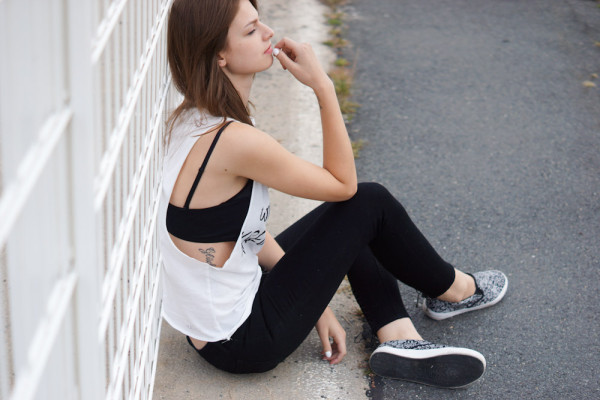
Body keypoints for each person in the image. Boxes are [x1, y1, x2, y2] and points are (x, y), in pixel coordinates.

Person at [159, 0, 508, 389]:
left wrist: (315, 304)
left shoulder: (193, 118)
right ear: (218, 55)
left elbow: (241, 232)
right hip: (242, 340)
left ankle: (399, 339)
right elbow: (344, 184)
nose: (268, 32)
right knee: (366, 203)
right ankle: (455, 291)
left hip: (213, 325)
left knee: (341, 224)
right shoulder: (235, 141)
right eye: (251, 29)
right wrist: (322, 86)